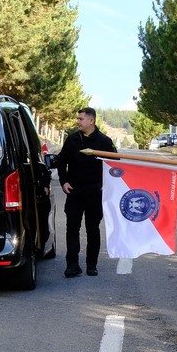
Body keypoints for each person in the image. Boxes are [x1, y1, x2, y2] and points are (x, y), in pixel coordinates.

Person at [54, 107, 117, 276]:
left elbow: (116, 166)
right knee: (72, 229)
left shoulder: (104, 142)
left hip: (95, 193)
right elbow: (61, 161)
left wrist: (108, 186)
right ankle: (72, 265)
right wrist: (64, 181)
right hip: (74, 192)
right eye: (78, 118)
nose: (78, 121)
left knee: (92, 229)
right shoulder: (72, 140)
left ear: (91, 121)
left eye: (81, 119)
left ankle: (91, 265)